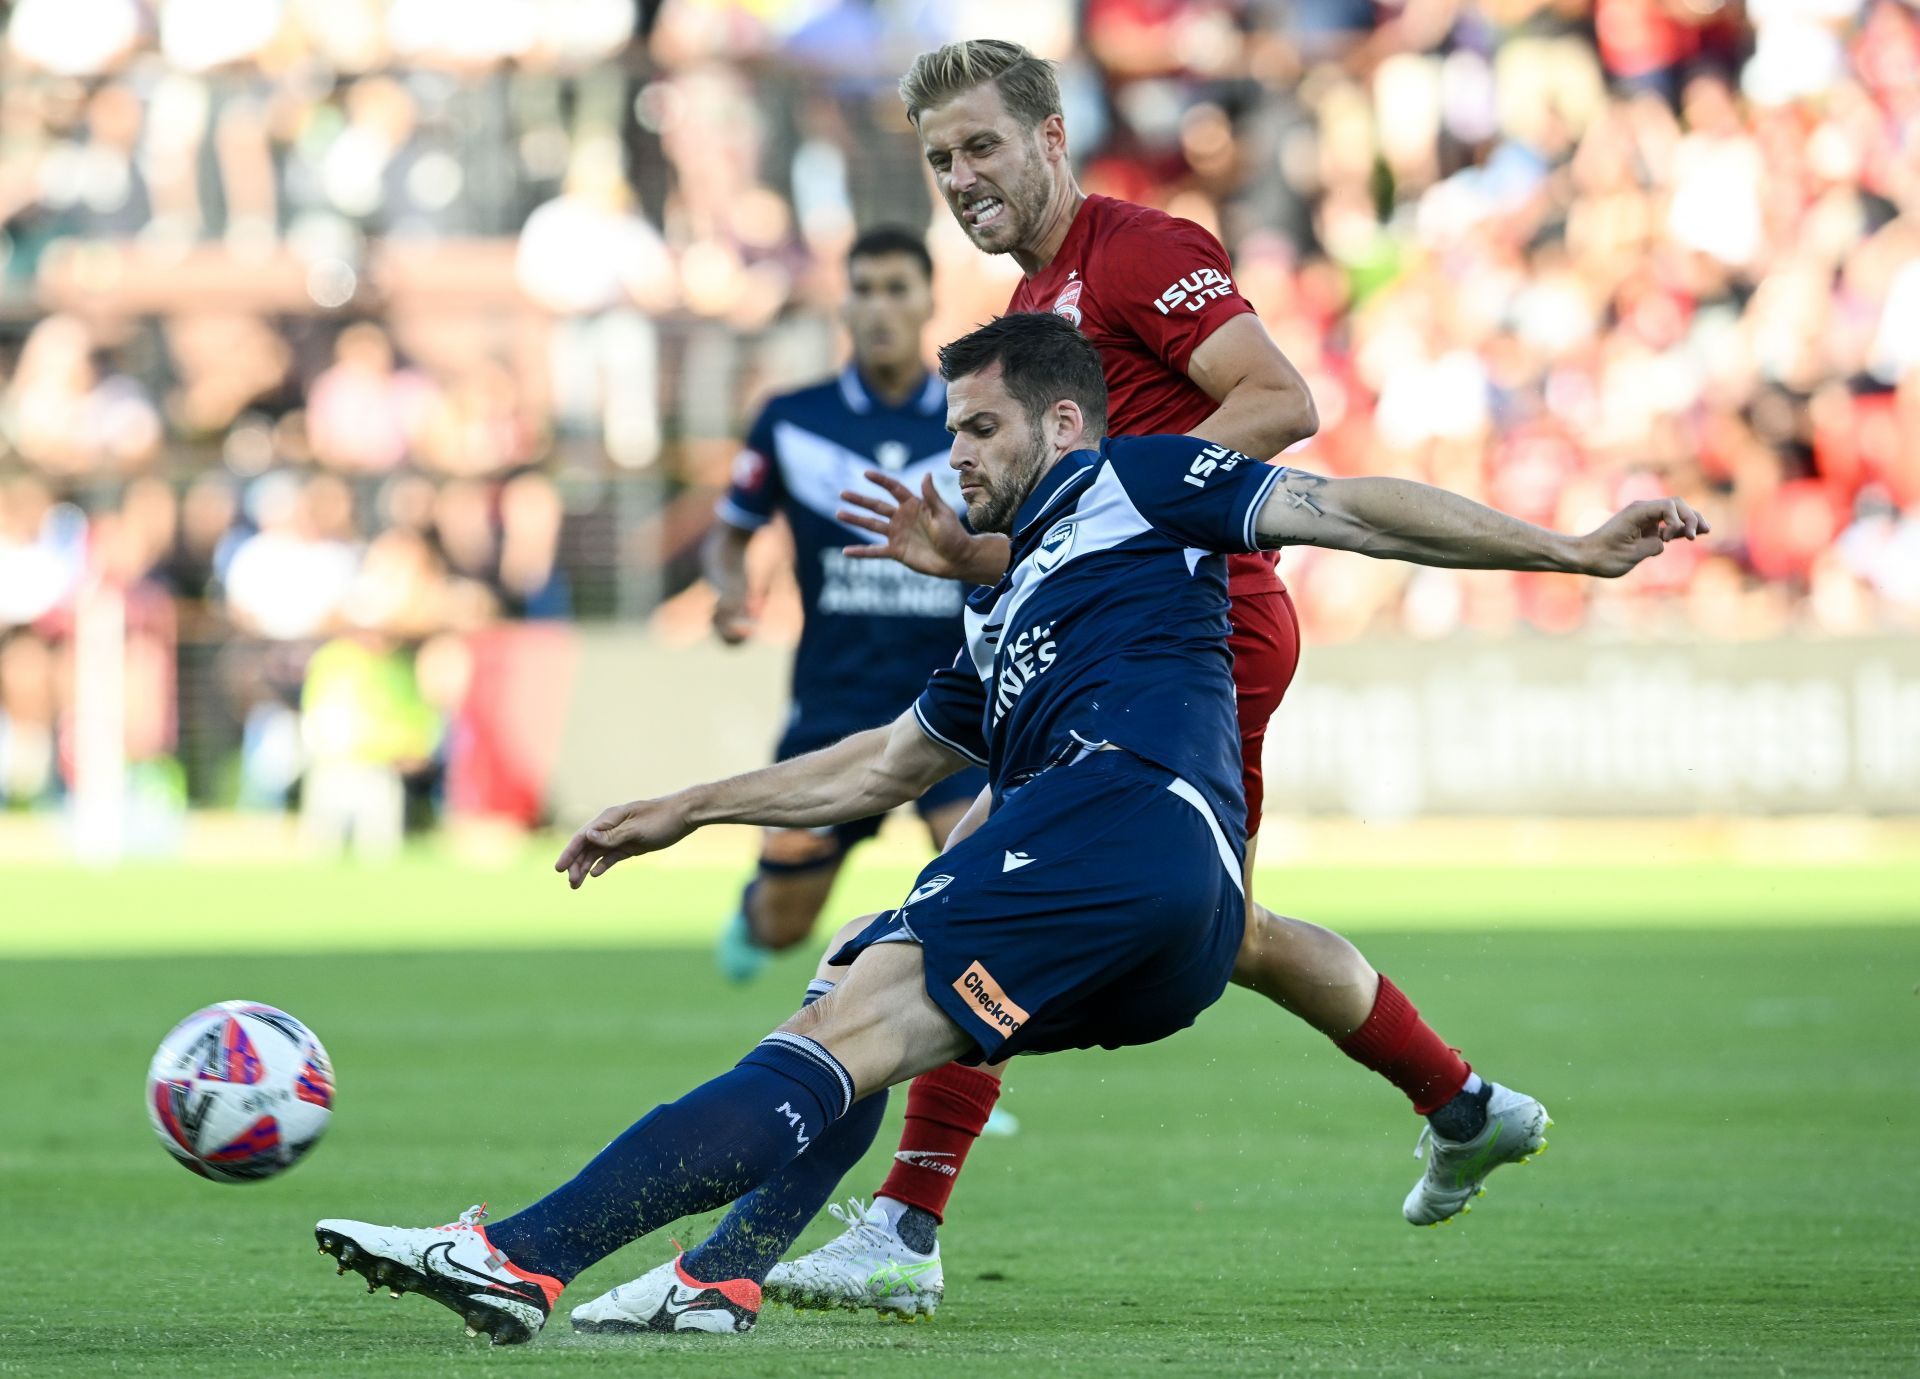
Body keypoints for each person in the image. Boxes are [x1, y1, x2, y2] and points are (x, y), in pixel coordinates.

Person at [313, 312, 1706, 1344]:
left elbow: (1342, 504)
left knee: (837, 1025)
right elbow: (875, 768)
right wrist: (689, 805)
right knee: (850, 996)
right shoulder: (1009, 602)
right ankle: (718, 1274)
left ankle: (526, 1253)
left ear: (1059, 425)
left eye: (978, 427)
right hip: (1172, 927)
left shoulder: (1142, 482)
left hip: (1121, 821)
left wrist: (1568, 548)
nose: (954, 455)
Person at [740, 38, 1525, 1317]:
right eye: (941, 158)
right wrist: (1000, 551)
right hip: (1154, 634)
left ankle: (900, 1223)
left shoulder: (1137, 249)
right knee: (1231, 936)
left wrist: (1110, 528)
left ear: (1053, 135)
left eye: (983, 145)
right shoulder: (1040, 293)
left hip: (1190, 633)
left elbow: (1278, 399)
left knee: (972, 888)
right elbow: (1084, 508)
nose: (962, 176)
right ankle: (1464, 1101)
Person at [699, 224, 988, 983]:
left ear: (930, 299)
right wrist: (730, 589)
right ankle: (754, 913)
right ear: (843, 304)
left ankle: (963, 1099)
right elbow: (729, 534)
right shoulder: (793, 419)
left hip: (956, 700)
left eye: (898, 288)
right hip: (833, 704)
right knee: (782, 924)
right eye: (864, 289)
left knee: (978, 899)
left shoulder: (976, 419)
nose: (881, 307)